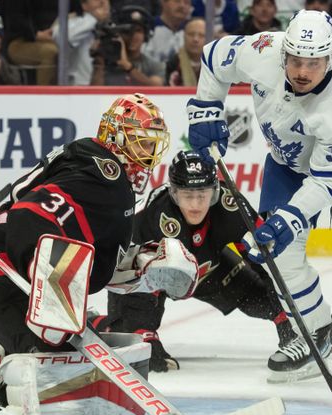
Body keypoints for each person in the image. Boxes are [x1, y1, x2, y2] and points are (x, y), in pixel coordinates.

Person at [0, 94, 199, 415]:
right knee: (49, 354)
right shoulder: (106, 176)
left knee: (61, 349)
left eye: (151, 145)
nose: (147, 154)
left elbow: (24, 202)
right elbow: (29, 216)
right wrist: (52, 273)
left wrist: (137, 270)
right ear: (115, 136)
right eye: (140, 142)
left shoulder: (90, 165)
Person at [186, 10, 332, 379]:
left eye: (313, 63)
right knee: (282, 257)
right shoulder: (262, 51)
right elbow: (214, 57)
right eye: (295, 59)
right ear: (283, 54)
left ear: (330, 58)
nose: (302, 71)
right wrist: (204, 108)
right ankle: (315, 331)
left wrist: (286, 220)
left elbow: (329, 182)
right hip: (292, 162)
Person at [94, 150, 296, 373]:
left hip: (207, 267)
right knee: (125, 334)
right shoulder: (154, 216)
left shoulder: (230, 207)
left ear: (215, 192)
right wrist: (144, 334)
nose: (195, 205)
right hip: (149, 276)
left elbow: (266, 260)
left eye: (202, 195)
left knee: (257, 296)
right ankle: (97, 323)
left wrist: (290, 315)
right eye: (187, 195)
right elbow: (134, 277)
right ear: (173, 194)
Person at [91, 4, 165, 86]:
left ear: (146, 36)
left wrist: (127, 66)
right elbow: (94, 96)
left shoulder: (154, 66)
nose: (133, 36)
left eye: (138, 31)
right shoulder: (106, 62)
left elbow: (157, 89)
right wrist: (99, 64)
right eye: (127, 31)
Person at [55, 0, 111, 86]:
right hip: (79, 87)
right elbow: (64, 39)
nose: (102, 2)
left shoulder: (115, 26)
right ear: (84, 5)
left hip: (110, 87)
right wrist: (93, 19)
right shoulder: (71, 22)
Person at [166, 16, 205, 86]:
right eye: (191, 34)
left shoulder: (216, 67)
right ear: (183, 36)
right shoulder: (173, 64)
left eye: (201, 35)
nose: (195, 39)